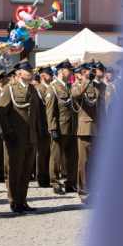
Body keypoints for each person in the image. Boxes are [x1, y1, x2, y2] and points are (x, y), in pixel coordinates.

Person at [0, 58, 42, 213]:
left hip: (30, 137)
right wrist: (8, 133)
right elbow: (2, 113)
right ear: (19, 73)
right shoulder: (9, 89)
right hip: (16, 137)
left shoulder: (33, 90)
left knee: (26, 171)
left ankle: (23, 199)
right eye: (28, 71)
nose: (31, 73)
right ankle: (14, 200)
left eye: (31, 71)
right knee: (14, 171)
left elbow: (37, 115)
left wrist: (38, 133)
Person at [72, 61, 103, 201]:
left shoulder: (97, 86)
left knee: (95, 162)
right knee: (84, 163)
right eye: (89, 71)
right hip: (85, 128)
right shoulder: (77, 85)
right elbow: (77, 94)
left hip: (98, 128)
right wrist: (87, 80)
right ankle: (84, 192)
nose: (92, 73)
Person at [47, 59, 79, 194]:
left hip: (72, 128)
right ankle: (55, 183)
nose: (71, 72)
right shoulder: (53, 88)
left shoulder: (71, 87)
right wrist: (52, 128)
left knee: (73, 157)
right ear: (61, 71)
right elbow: (50, 110)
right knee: (55, 157)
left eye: (72, 70)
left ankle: (70, 183)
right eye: (69, 70)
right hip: (60, 128)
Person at [34, 65, 53, 188]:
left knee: (50, 153)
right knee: (41, 153)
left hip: (52, 125)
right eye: (50, 74)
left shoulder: (52, 88)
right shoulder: (38, 90)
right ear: (43, 76)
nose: (52, 76)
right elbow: (37, 110)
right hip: (42, 125)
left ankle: (49, 175)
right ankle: (41, 176)